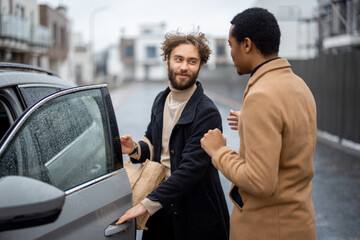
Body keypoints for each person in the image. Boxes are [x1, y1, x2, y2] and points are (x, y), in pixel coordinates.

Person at [200, 7, 317, 240]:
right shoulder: (298, 84)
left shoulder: (261, 96)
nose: (230, 53)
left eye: (231, 45)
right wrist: (250, 123)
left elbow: (260, 182)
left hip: (268, 230)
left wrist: (219, 152)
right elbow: (291, 134)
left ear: (247, 44)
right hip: (300, 223)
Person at [116, 30, 229, 240]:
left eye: (192, 61)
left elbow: (191, 170)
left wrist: (145, 205)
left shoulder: (207, 112)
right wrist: (134, 149)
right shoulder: (161, 99)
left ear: (200, 67)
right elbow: (153, 141)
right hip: (161, 211)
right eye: (179, 59)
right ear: (167, 61)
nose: (184, 67)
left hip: (195, 216)